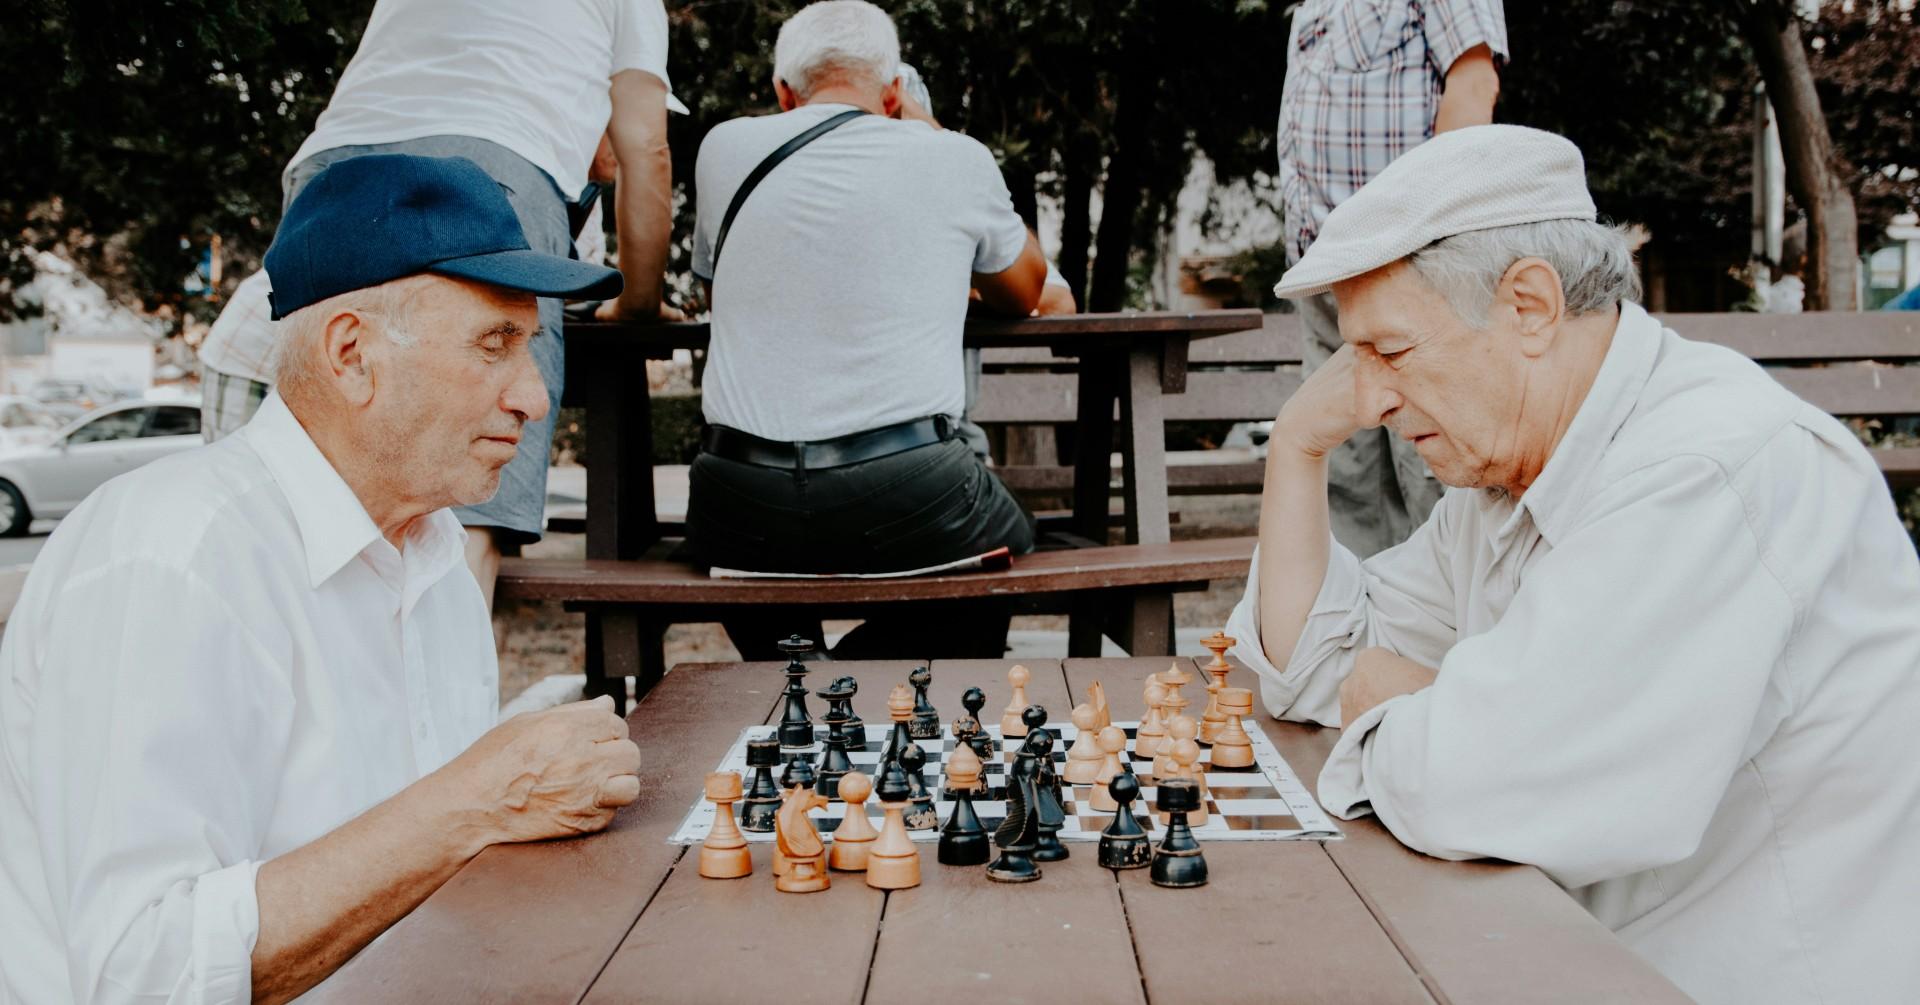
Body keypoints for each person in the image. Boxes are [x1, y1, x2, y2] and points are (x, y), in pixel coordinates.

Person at [1224, 125, 1920, 1003]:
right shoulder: (1509, 477)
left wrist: (1410, 701)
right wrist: (1295, 445)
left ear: (1529, 307)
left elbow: (1473, 787)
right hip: (1572, 950)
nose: (1370, 399)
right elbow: (1313, 668)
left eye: (1391, 352)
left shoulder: (1705, 471)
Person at [0, 155, 643, 1005]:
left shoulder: (436, 554)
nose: (533, 395)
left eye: (531, 348)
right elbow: (142, 973)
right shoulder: (173, 556)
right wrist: (478, 801)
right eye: (496, 343)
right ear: (352, 354)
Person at [198, 0, 681, 607]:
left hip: (337, 162)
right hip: (494, 158)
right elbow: (647, 147)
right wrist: (638, 304)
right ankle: (445, 694)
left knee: (318, 486)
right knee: (469, 497)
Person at [683, 1, 1050, 660]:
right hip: (909, 486)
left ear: (781, 92)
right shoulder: (950, 156)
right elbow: (1025, 289)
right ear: (893, 92)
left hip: (737, 499)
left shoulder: (721, 149)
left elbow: (721, 286)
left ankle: (790, 663)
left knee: (733, 541)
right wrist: (931, 129)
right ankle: (852, 674)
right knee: (1007, 546)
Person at [1277, 0, 1506, 557]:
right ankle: (1361, 633)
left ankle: (1457, 631)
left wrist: (1429, 237)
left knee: (1432, 464)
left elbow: (1474, 84)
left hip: (1407, 262)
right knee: (1345, 471)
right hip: (1324, 270)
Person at [893, 62, 1079, 463]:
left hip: (948, 438)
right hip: (881, 444)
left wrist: (965, 295)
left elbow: (1060, 302)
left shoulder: (953, 197)